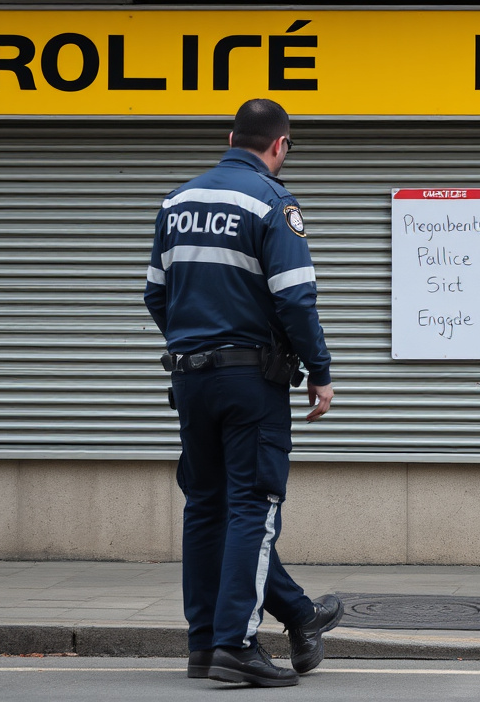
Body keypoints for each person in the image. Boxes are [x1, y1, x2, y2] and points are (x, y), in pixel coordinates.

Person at [144, 98, 340, 688]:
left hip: (189, 377)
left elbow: (156, 294)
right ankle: (237, 643)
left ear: (231, 136)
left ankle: (205, 644)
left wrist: (191, 343)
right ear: (280, 146)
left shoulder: (176, 201)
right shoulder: (273, 202)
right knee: (254, 507)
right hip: (250, 381)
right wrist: (320, 369)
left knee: (205, 507)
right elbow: (295, 298)